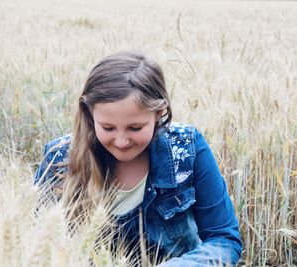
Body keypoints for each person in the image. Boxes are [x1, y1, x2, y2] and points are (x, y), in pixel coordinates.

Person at [34, 50, 242, 266]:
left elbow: (224, 240)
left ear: (159, 113)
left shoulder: (186, 149)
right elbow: (36, 244)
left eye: (135, 128)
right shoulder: (59, 160)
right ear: (89, 113)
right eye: (108, 127)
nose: (122, 141)